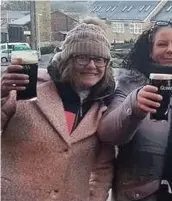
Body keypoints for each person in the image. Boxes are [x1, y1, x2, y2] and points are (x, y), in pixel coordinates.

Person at [1, 18, 162, 201]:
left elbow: (102, 168)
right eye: (83, 58)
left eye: (99, 59)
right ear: (67, 60)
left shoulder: (102, 105)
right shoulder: (27, 87)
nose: (92, 66)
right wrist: (1, 94)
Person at [111, 21, 172, 201]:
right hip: (139, 194)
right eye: (162, 44)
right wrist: (133, 106)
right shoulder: (130, 83)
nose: (170, 50)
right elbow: (108, 133)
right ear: (150, 50)